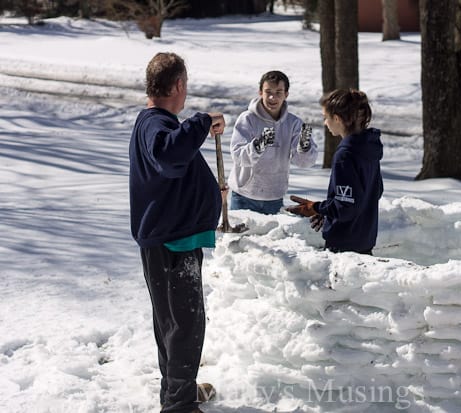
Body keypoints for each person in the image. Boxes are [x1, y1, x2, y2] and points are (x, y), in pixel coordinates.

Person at [129, 52, 225, 413]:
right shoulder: (156, 125)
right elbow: (169, 158)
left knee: (174, 324)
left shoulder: (158, 124)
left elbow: (171, 173)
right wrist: (200, 122)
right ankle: (179, 406)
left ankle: (178, 393)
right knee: (184, 325)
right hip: (171, 244)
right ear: (179, 85)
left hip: (171, 238)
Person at [286, 89, 383, 255]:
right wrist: (327, 211)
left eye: (326, 117)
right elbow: (373, 192)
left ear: (337, 118)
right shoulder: (368, 147)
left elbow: (345, 206)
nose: (325, 123)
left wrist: (314, 207)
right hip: (365, 239)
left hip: (344, 245)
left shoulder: (345, 154)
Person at [228, 70, 318, 214]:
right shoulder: (247, 119)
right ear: (260, 92)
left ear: (286, 94)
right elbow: (238, 156)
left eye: (278, 92)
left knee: (272, 237)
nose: (272, 97)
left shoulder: (293, 123)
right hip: (244, 197)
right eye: (268, 91)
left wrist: (304, 148)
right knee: (240, 237)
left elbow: (304, 162)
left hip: (274, 198)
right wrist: (258, 146)